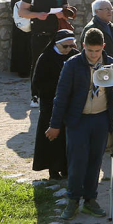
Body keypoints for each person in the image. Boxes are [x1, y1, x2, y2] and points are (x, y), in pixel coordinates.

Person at [47, 28, 113, 219]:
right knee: (76, 163)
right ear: (83, 46)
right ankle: (73, 200)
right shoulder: (72, 65)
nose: (93, 54)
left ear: (103, 47)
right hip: (78, 120)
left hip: (101, 119)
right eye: (90, 50)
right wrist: (55, 125)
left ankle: (90, 200)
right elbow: (61, 96)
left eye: (97, 51)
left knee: (95, 161)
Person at [31, 30, 78, 180]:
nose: (68, 49)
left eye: (71, 46)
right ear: (56, 44)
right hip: (51, 104)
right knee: (52, 139)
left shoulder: (75, 55)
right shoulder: (46, 58)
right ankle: (53, 169)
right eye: (65, 46)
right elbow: (38, 82)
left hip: (70, 104)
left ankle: (66, 168)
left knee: (67, 138)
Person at [19, 0, 70, 74]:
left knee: (58, 65)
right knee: (38, 65)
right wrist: (37, 15)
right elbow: (22, 12)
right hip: (39, 36)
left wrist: (62, 15)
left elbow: (68, 14)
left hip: (57, 36)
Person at [10, 0, 36, 79]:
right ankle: (21, 70)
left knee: (32, 46)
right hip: (20, 22)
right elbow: (14, 6)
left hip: (33, 20)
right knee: (21, 46)